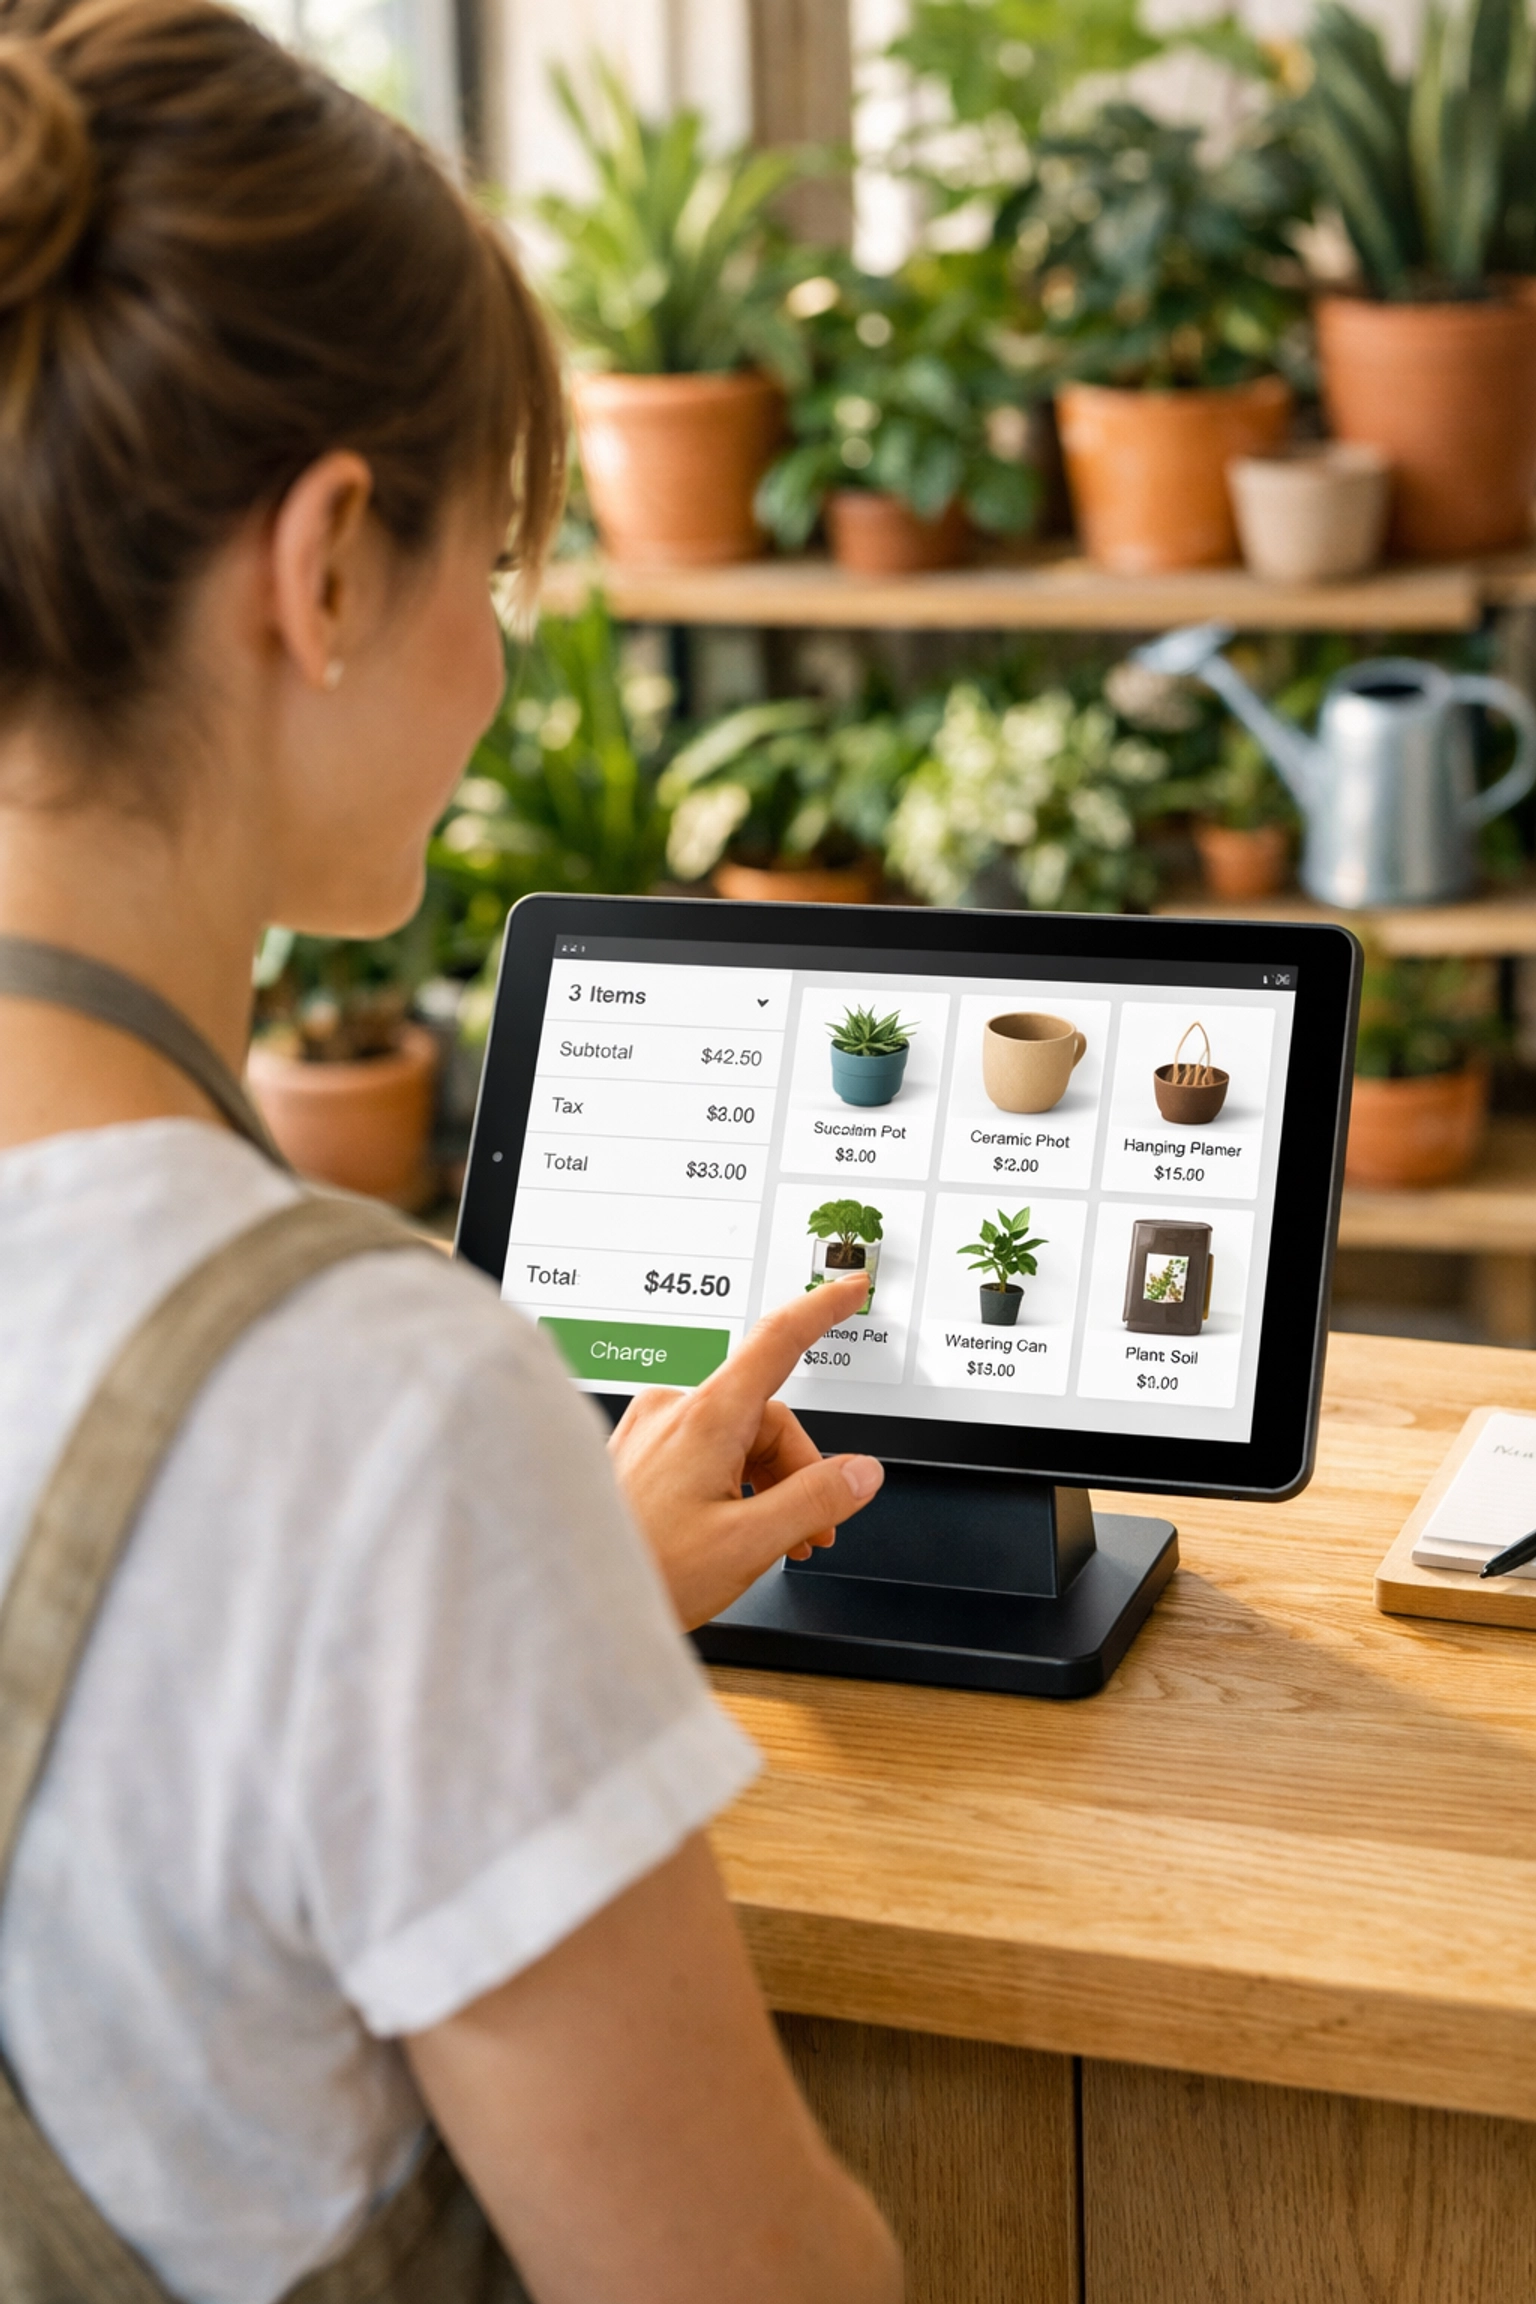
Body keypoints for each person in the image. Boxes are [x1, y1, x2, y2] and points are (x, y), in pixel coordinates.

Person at [0, 3, 902, 2299]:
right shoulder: (370, 1414)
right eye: (487, 565)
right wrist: (469, 1555)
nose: (499, 658)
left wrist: (542, 1616)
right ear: (322, 566)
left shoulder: (380, 1465)